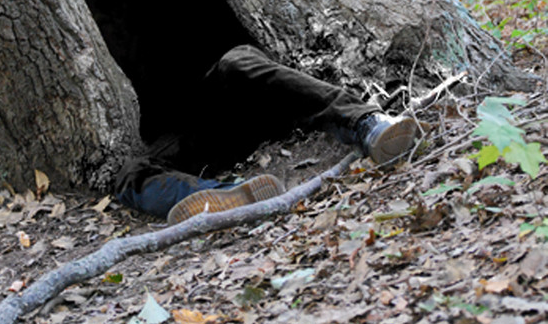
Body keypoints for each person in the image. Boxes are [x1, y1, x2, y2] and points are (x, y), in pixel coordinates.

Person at [116, 44, 416, 225]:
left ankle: (367, 124)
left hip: (244, 92)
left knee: (235, 61)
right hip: (196, 132)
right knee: (131, 173)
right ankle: (219, 198)